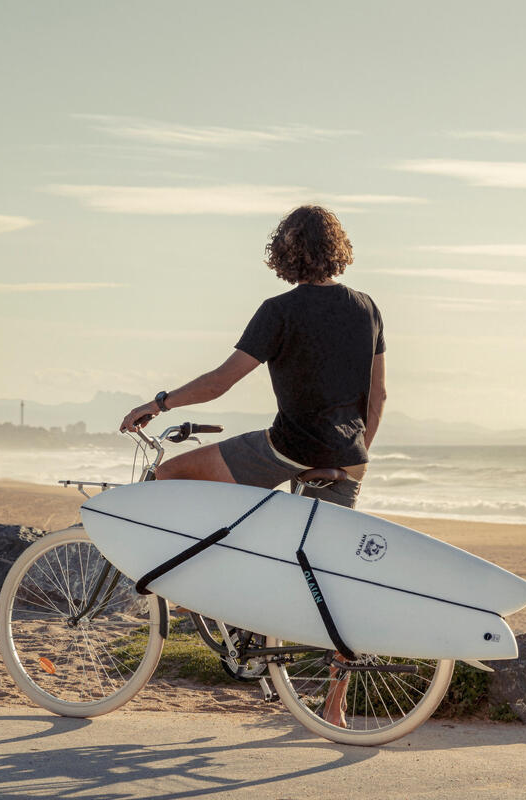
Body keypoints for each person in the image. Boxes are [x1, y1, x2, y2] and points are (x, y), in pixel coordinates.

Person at [119, 205, 387, 726]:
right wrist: (354, 453)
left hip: (288, 447)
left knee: (171, 474)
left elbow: (221, 382)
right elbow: (377, 395)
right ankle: (332, 709)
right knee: (329, 582)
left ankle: (196, 585)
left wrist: (159, 403)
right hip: (349, 458)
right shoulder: (367, 307)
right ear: (336, 248)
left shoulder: (279, 309)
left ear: (286, 251)